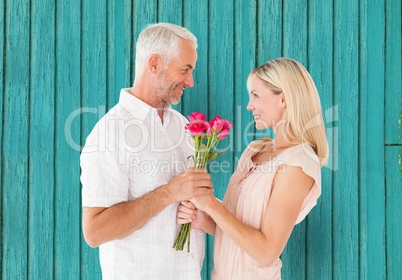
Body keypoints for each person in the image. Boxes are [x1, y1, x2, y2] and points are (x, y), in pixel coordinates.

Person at [80, 23, 212, 279]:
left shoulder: (183, 126)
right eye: (185, 70)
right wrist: (170, 192)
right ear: (154, 64)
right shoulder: (110, 133)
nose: (191, 81)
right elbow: (95, 231)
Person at [177, 57, 329, 279]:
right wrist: (204, 217)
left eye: (256, 96)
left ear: (284, 99)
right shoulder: (255, 150)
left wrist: (211, 204)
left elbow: (266, 252)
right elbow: (241, 230)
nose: (249, 105)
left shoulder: (299, 163)